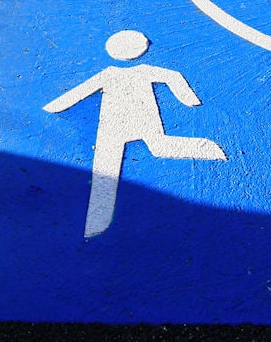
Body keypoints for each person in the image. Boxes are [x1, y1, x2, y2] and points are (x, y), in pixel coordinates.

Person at [44, 29, 226, 237]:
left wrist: (55, 107)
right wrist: (188, 99)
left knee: (109, 164)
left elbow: (80, 91)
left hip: (116, 124)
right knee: (151, 149)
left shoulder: (113, 73)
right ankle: (96, 223)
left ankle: (97, 222)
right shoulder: (136, 71)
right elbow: (172, 77)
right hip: (132, 121)